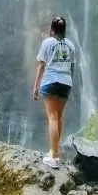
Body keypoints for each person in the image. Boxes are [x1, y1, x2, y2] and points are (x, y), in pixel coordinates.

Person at [33, 16, 74, 168]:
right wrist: (70, 83)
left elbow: (41, 65)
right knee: (59, 117)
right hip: (66, 83)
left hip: (50, 81)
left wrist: (36, 87)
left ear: (52, 29)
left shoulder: (47, 42)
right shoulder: (71, 45)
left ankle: (55, 157)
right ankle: (53, 150)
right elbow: (72, 67)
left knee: (52, 117)